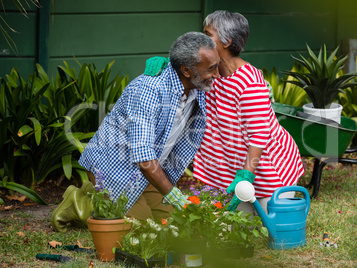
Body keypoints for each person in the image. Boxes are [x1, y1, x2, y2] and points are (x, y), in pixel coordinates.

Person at [51, 32, 220, 232]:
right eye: (212, 69)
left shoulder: (196, 86)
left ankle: (106, 204)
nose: (217, 74)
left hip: (145, 174)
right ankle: (81, 201)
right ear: (186, 70)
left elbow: (227, 70)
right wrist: (174, 196)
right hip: (113, 170)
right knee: (141, 229)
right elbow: (143, 156)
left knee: (175, 225)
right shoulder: (148, 90)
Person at [193, 10, 305, 214]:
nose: (201, 39)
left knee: (269, 226)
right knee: (228, 230)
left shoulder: (249, 83)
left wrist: (246, 176)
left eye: (208, 35)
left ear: (226, 41)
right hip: (235, 166)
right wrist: (169, 65)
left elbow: (259, 134)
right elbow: (185, 70)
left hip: (268, 170)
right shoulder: (211, 73)